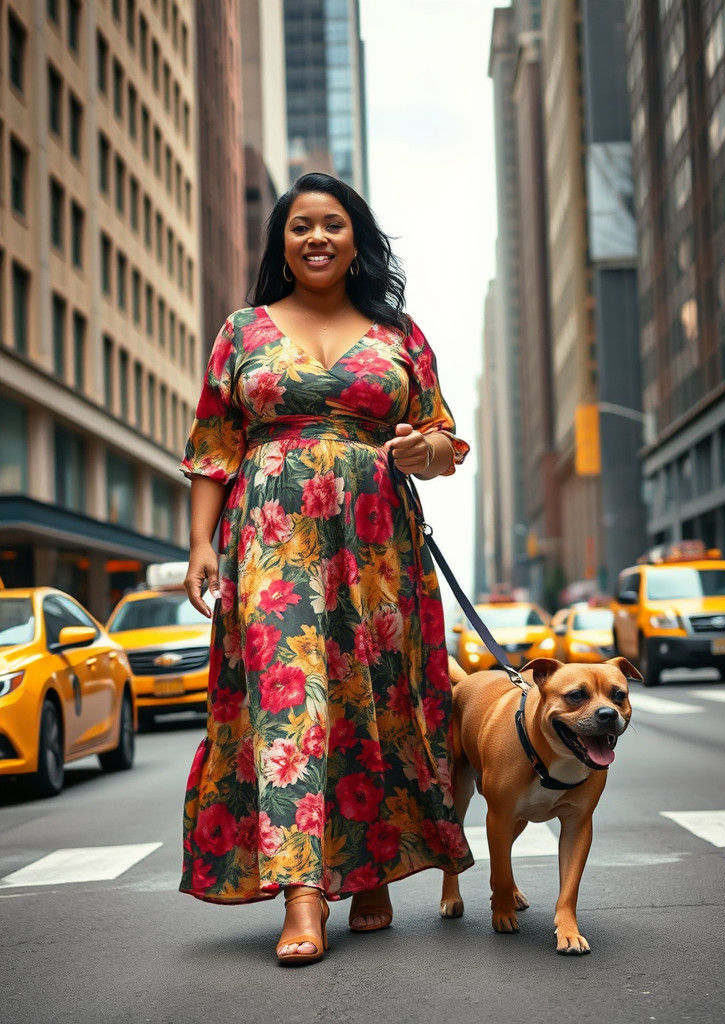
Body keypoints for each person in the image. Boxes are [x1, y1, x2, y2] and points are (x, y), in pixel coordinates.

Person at [181, 172, 473, 965]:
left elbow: (445, 440)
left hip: (377, 541)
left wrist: (425, 450)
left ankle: (371, 866)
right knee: (287, 701)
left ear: (356, 240)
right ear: (282, 241)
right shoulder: (242, 330)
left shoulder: (397, 332)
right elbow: (214, 447)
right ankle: (302, 895)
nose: (317, 237)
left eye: (333, 224)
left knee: (370, 697)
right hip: (271, 533)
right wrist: (202, 544)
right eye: (301, 225)